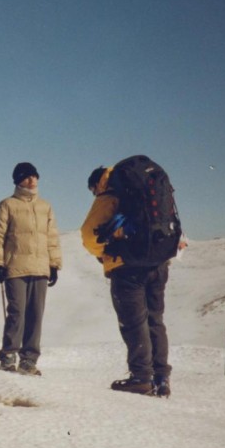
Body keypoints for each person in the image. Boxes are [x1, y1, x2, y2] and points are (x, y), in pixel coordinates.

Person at [80, 165, 172, 396]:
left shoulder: (109, 194)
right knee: (155, 319)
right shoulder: (148, 188)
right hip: (158, 263)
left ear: (97, 183)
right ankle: (161, 377)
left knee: (134, 323)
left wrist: (105, 252)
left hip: (127, 267)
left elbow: (89, 235)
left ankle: (141, 376)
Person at [0, 162, 62, 376]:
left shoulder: (45, 206)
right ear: (18, 180)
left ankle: (29, 359)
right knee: (17, 312)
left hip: (40, 268)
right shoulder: (7, 205)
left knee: (36, 314)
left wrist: (54, 264)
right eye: (27, 177)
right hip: (15, 267)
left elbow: (52, 238)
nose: (32, 180)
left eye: (34, 176)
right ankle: (9, 355)